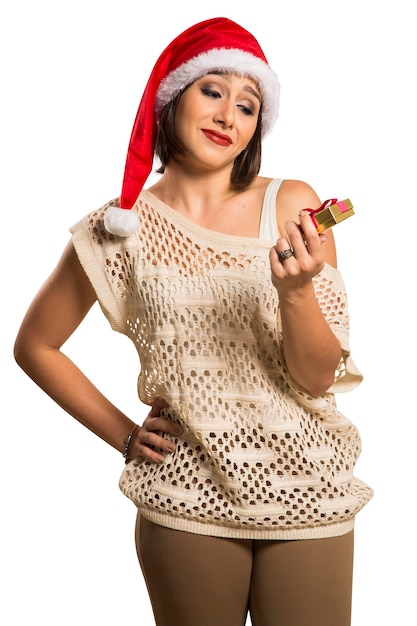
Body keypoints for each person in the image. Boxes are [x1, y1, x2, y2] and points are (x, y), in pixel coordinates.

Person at [14, 16, 372, 626]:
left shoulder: (290, 206)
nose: (229, 115)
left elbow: (316, 380)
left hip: (308, 488)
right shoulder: (117, 229)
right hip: (186, 493)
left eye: (249, 104)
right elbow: (35, 346)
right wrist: (125, 437)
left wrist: (297, 292)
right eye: (213, 91)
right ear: (173, 97)